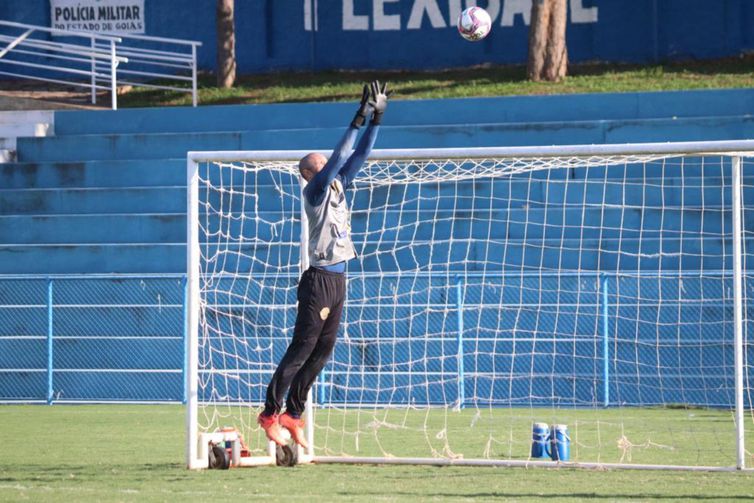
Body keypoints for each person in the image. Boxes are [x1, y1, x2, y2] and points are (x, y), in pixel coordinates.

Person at [257, 81, 391, 448]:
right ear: (309, 173)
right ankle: (270, 413)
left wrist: (377, 118)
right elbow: (338, 157)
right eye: (318, 163)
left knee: (324, 350)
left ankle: (292, 414)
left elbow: (358, 157)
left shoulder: (338, 186)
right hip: (318, 280)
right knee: (301, 348)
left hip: (339, 278)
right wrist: (358, 116)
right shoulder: (314, 191)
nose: (326, 163)